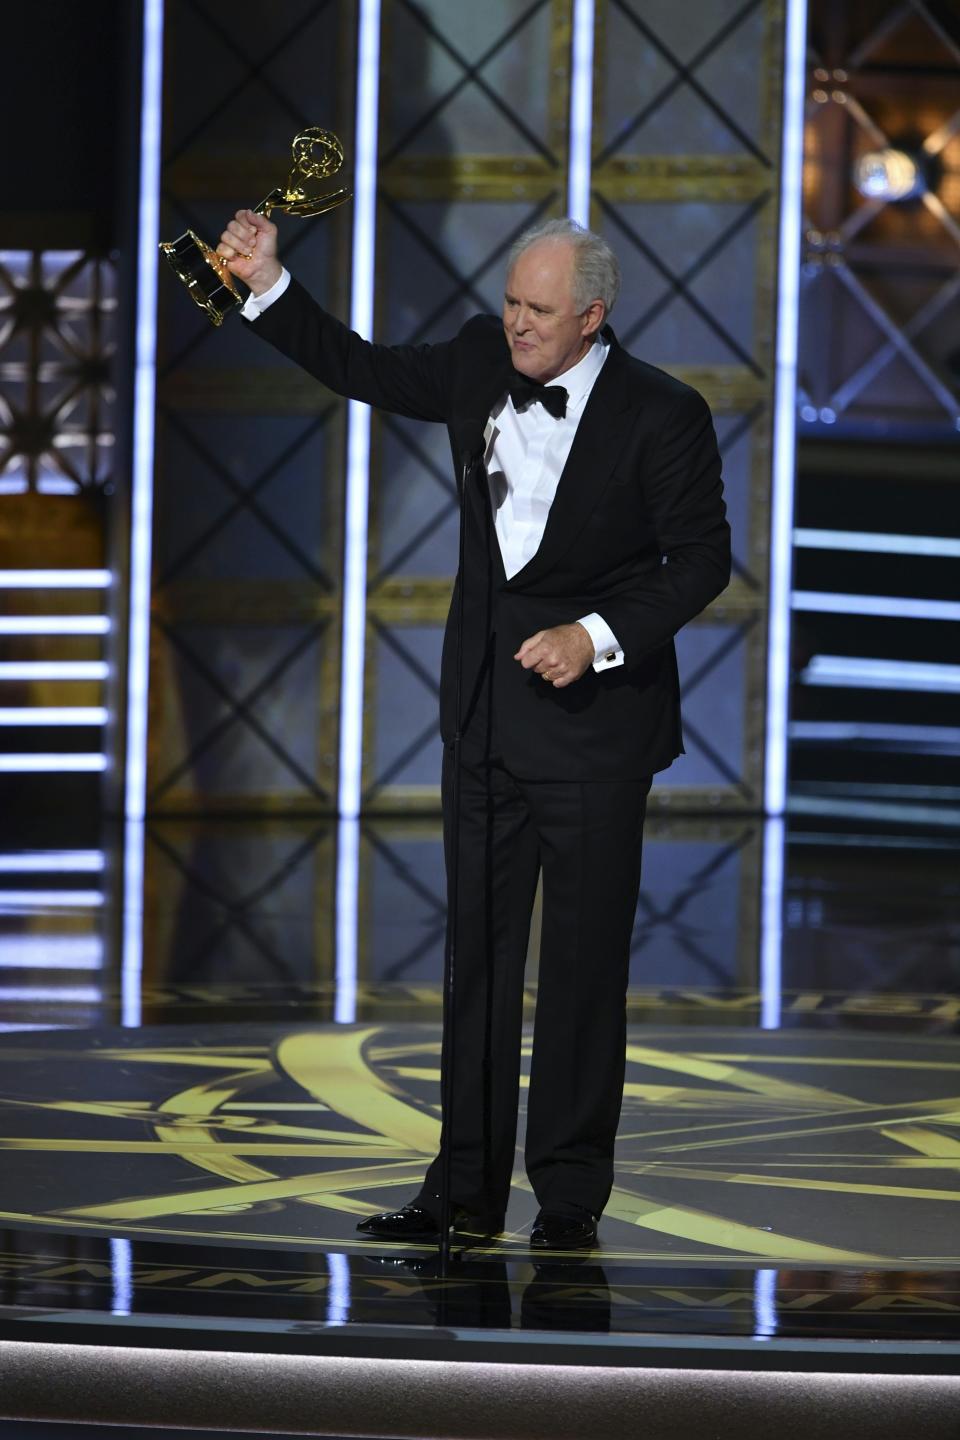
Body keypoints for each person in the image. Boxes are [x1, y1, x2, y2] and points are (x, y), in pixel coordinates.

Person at [217, 210, 730, 1249]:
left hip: (594, 733)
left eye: (540, 312)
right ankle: (462, 1192)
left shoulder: (663, 415)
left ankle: (571, 1200)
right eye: (510, 303)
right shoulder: (471, 360)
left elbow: (699, 561)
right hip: (485, 720)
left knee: (582, 973)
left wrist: (593, 636)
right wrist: (268, 284)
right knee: (478, 968)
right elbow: (356, 366)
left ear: (593, 316)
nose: (518, 326)